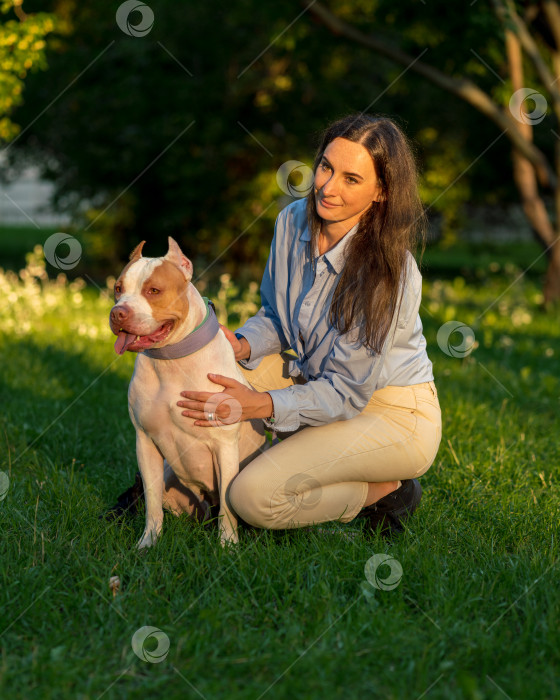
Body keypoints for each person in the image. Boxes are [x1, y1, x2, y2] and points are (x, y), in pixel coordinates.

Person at [108, 113, 442, 538]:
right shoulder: (293, 222)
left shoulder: (388, 273)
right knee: (218, 375)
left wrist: (261, 404)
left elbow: (346, 392)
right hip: (314, 378)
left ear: (382, 192)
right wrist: (241, 344)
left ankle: (384, 492)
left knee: (251, 499)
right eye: (325, 166)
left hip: (391, 412)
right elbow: (277, 318)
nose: (327, 186)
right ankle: (168, 479)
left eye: (352, 179)